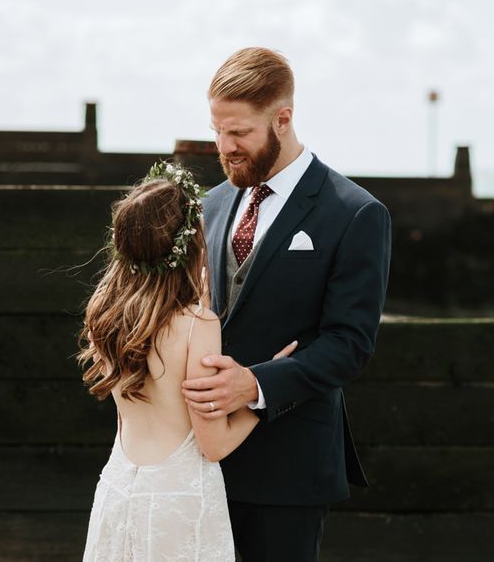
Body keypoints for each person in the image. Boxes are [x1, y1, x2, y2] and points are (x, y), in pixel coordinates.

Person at [181, 47, 392, 561]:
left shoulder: (356, 213)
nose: (224, 148)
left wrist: (255, 384)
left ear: (283, 118)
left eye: (239, 133)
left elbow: (349, 344)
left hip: (290, 469)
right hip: (195, 466)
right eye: (217, 131)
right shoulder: (209, 206)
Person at [78, 161, 296, 561]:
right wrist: (267, 390)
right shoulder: (197, 325)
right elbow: (213, 444)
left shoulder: (103, 314)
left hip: (118, 491)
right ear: (193, 244)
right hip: (178, 503)